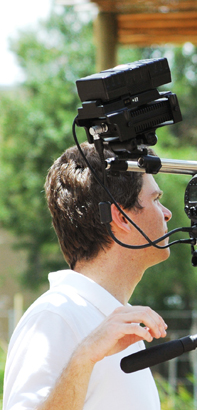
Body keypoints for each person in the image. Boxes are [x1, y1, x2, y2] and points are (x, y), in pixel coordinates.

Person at [3, 142, 172, 410]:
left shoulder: (114, 321)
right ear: (122, 218)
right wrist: (84, 358)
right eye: (155, 199)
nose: (167, 213)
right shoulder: (55, 315)